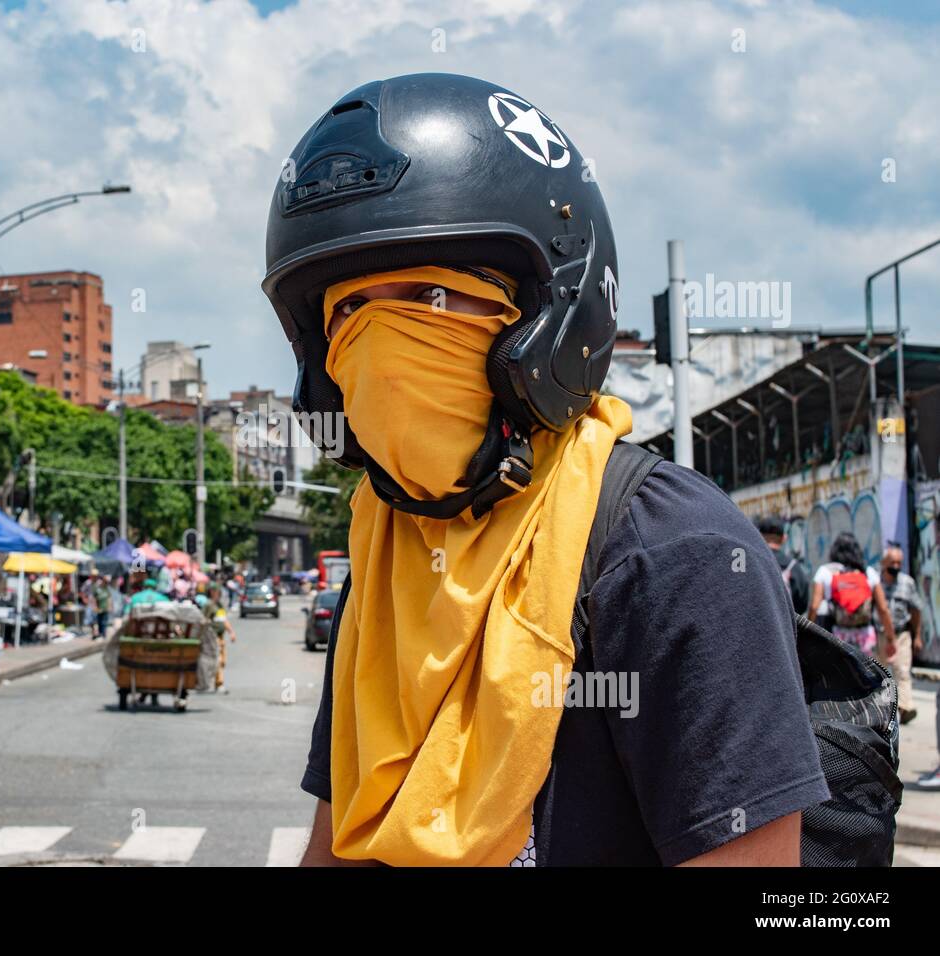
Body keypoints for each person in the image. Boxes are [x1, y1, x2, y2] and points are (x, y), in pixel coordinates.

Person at [266, 74, 829, 867]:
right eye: (350, 312)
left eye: (429, 296)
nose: (383, 352)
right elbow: (335, 843)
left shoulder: (672, 555)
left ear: (548, 323)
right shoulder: (384, 558)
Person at [808, 532, 896, 657]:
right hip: (865, 637)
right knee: (866, 674)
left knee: (838, 674)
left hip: (836, 636)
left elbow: (814, 606)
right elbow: (883, 609)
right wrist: (891, 638)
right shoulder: (869, 573)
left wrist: (809, 632)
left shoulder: (825, 572)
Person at [877, 542, 922, 725]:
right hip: (880, 634)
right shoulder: (876, 582)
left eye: (899, 563)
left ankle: (904, 708)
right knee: (878, 673)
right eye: (892, 563)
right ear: (884, 563)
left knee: (902, 671)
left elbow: (916, 610)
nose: (895, 567)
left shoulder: (907, 583)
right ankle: (880, 709)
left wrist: (917, 635)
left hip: (902, 634)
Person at [756, 516, 809, 614]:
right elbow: (803, 603)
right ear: (784, 538)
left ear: (759, 536)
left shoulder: (752, 563)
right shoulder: (794, 566)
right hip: (788, 625)